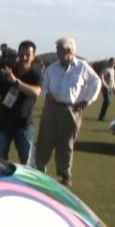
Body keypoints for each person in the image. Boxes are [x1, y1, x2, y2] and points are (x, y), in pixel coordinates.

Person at [35, 37, 102, 187]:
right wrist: (47, 94)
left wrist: (86, 100)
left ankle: (65, 174)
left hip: (71, 109)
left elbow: (96, 83)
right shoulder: (52, 68)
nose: (57, 53)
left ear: (69, 51)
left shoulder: (82, 67)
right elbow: (44, 85)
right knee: (44, 140)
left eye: (59, 50)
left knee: (66, 143)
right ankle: (39, 169)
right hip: (51, 107)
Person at [0, 40, 43, 166]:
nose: (24, 57)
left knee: (28, 164)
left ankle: (28, 186)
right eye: (22, 54)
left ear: (33, 56)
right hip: (3, 123)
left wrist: (15, 81)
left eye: (28, 54)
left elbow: (36, 92)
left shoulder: (35, 74)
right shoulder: (8, 70)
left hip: (23, 125)